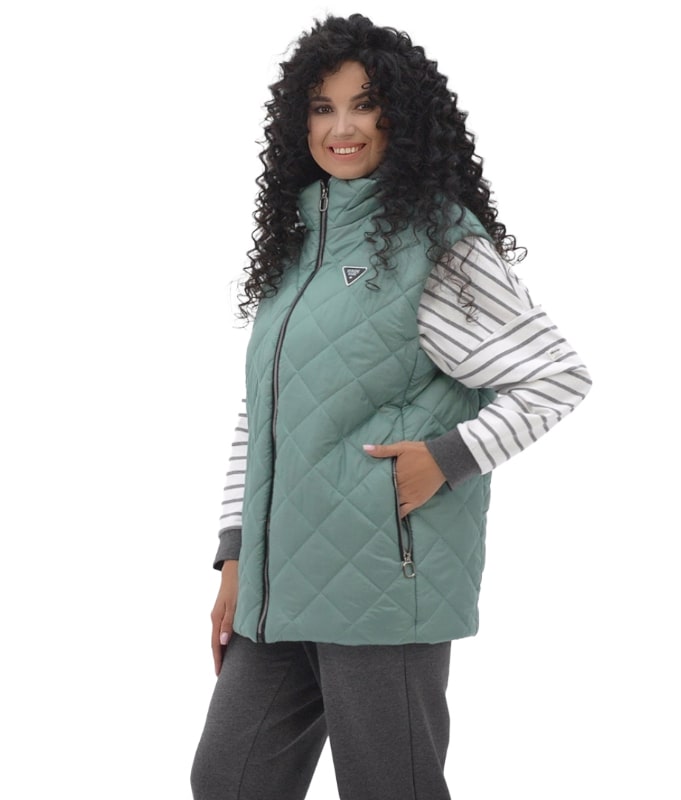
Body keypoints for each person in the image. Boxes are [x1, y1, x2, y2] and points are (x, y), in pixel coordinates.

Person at [190, 13, 591, 800]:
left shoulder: (438, 242)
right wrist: (236, 554)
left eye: (364, 104)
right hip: (277, 584)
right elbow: (260, 412)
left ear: (400, 118)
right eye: (322, 108)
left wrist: (446, 459)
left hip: (384, 576)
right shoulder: (300, 244)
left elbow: (555, 375)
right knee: (228, 779)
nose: (341, 128)